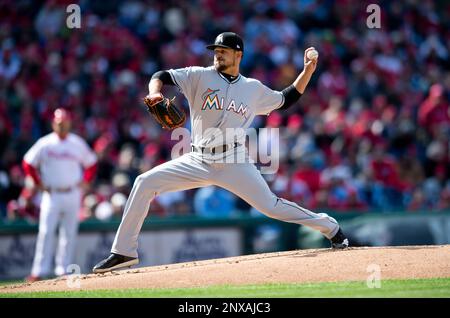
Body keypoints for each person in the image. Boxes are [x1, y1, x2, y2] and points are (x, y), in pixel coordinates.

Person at [93, 32, 349, 273]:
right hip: (197, 158)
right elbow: (162, 74)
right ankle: (124, 252)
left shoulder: (253, 88)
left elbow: (286, 99)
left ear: (239, 55)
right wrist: (155, 92)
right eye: (216, 50)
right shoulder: (198, 75)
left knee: (271, 207)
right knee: (144, 182)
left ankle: (330, 227)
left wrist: (306, 71)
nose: (218, 54)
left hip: (233, 160)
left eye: (224, 50)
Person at [22, 108, 97, 282]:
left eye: (64, 122)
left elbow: (91, 163)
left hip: (72, 192)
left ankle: (63, 269)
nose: (62, 125)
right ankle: (38, 271)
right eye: (59, 123)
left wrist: (86, 181)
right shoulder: (45, 143)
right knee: (46, 232)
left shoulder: (76, 143)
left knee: (68, 233)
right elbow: (28, 163)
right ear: (53, 124)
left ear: (69, 123)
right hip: (52, 193)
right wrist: (38, 183)